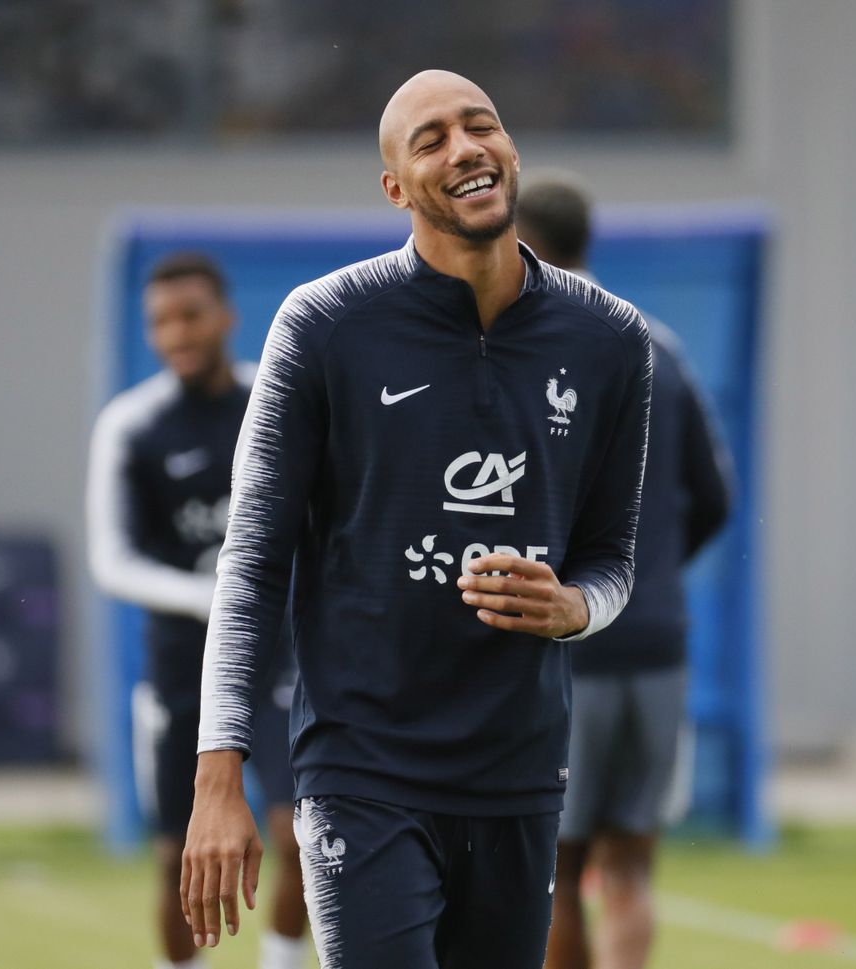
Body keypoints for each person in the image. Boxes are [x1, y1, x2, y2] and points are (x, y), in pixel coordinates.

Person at [179, 70, 652, 969]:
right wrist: (218, 774)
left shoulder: (612, 339)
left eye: (483, 127)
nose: (466, 148)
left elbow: (612, 559)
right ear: (396, 188)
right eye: (431, 139)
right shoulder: (321, 324)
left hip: (519, 767)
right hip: (363, 764)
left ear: (510, 153)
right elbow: (252, 562)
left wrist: (574, 607)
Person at [517, 175, 732, 969]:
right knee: (632, 864)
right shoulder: (662, 346)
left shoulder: (537, 343)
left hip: (571, 642)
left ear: (524, 242)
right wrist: (652, 578)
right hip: (659, 644)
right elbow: (714, 495)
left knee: (559, 872)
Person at [86, 253, 308, 969]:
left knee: (302, 833)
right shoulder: (132, 424)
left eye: (190, 315)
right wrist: (220, 595)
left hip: (281, 659)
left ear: (225, 316)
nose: (176, 333)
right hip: (182, 668)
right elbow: (112, 561)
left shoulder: (276, 402)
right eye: (159, 321)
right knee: (176, 855)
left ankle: (278, 959)